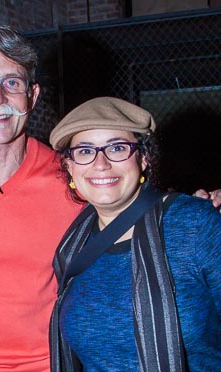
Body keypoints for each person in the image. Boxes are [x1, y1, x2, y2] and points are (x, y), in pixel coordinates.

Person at [0, 25, 221, 372]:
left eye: (13, 82)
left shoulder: (71, 177)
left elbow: (128, 206)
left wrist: (187, 210)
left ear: (33, 95)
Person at [48, 96, 221, 371]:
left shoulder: (194, 225)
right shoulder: (72, 244)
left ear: (142, 158)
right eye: (84, 151)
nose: (101, 164)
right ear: (69, 167)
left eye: (117, 148)